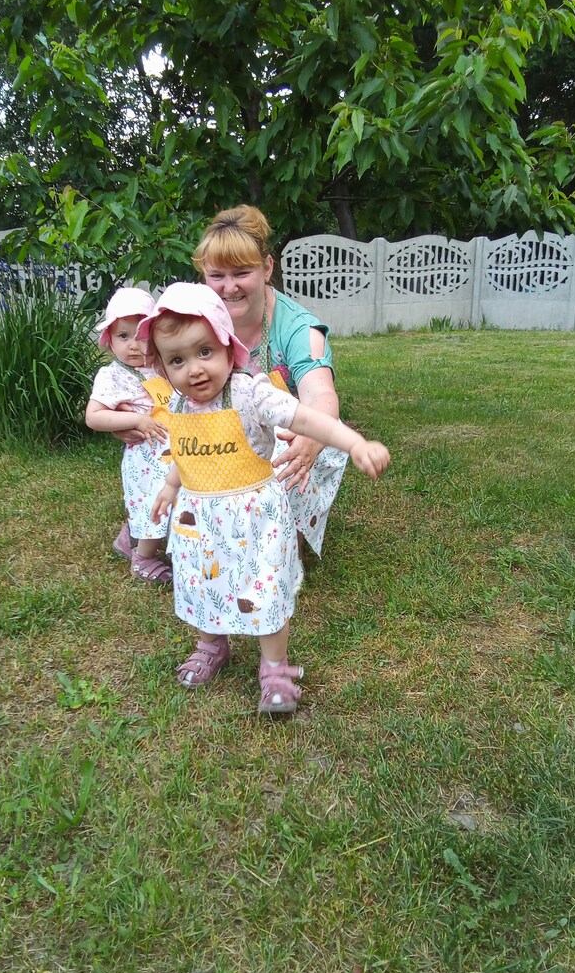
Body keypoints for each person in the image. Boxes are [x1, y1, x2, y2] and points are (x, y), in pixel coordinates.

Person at [141, 282, 389, 713]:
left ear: (226, 345)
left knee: (265, 591)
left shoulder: (249, 392)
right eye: (177, 360)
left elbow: (307, 417)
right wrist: (169, 485)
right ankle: (211, 644)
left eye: (204, 352)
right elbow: (187, 449)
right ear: (163, 367)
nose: (194, 370)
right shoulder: (179, 406)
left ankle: (274, 667)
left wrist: (353, 443)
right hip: (200, 523)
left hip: (254, 520)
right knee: (204, 585)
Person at [193, 204, 348, 557]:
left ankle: (278, 541)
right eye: (217, 275)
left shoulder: (299, 328)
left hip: (280, 428)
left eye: (241, 272)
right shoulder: (198, 319)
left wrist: (310, 438)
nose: (228, 287)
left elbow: (321, 394)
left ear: (266, 268)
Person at [85, 287, 173, 584]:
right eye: (124, 336)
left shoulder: (163, 366)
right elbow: (94, 416)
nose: (134, 345)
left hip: (174, 446)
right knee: (154, 501)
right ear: (109, 341)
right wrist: (134, 418)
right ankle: (144, 558)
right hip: (147, 457)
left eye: (141, 336)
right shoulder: (112, 375)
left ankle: (129, 538)